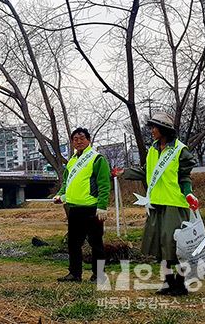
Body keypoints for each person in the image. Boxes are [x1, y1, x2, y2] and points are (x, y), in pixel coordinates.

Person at [117, 113, 197, 296]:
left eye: (154, 127)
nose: (152, 131)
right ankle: (168, 282)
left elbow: (184, 177)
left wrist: (189, 194)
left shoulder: (180, 150)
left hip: (174, 204)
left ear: (164, 129)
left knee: (176, 246)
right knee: (161, 245)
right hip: (156, 205)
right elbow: (147, 172)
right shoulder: (153, 150)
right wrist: (124, 172)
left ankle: (180, 283)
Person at [53, 127, 111, 283]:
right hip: (75, 209)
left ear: (88, 140)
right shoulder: (72, 161)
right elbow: (67, 183)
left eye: (81, 138)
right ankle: (75, 273)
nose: (78, 142)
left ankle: (99, 275)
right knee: (73, 243)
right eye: (75, 139)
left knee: (96, 243)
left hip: (93, 208)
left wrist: (103, 206)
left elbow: (104, 184)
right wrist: (61, 195)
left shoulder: (97, 158)